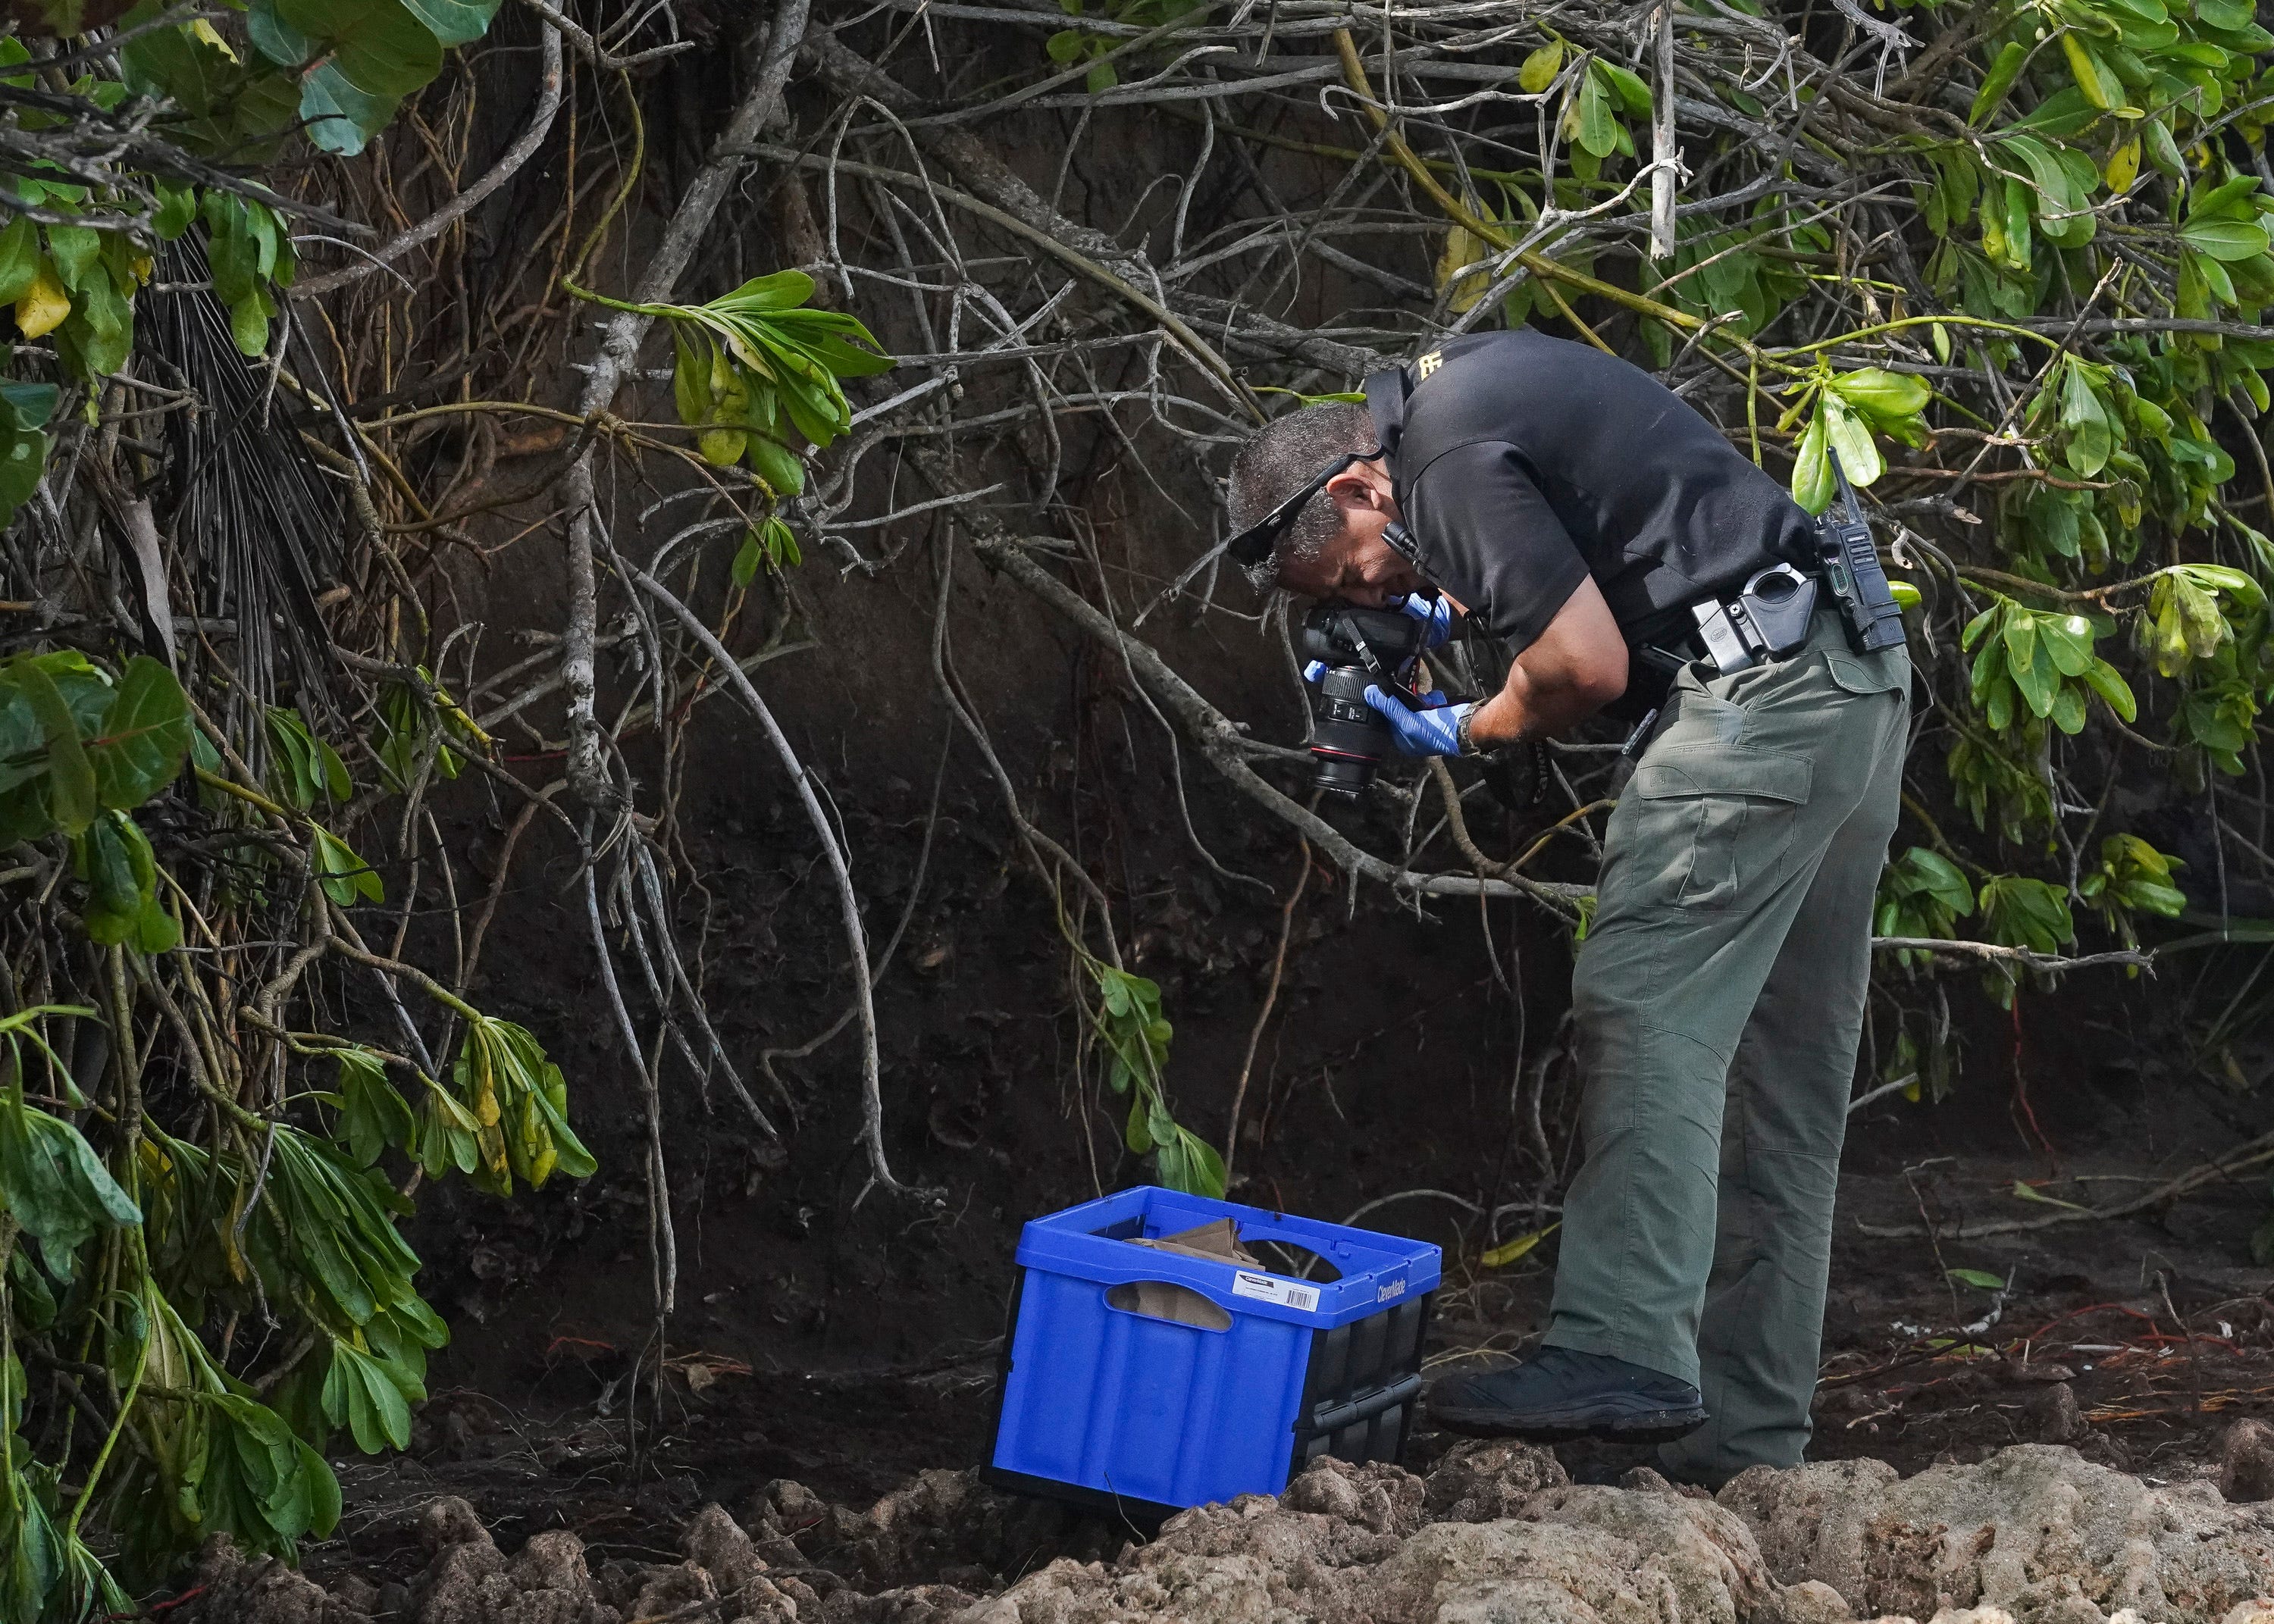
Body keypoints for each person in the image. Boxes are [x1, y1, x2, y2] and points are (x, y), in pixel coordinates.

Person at [1222, 330, 1911, 1485]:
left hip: (1762, 708)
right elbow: (1642, 581)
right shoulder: (1472, 402)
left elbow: (1582, 665)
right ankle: (1740, 1445)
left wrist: (1463, 726)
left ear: (1356, 487)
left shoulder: (1437, 458)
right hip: (1844, 684)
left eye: (1352, 571)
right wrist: (1454, 622)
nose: (1375, 588)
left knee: (1643, 999)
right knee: (1774, 1082)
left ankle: (1619, 1347)